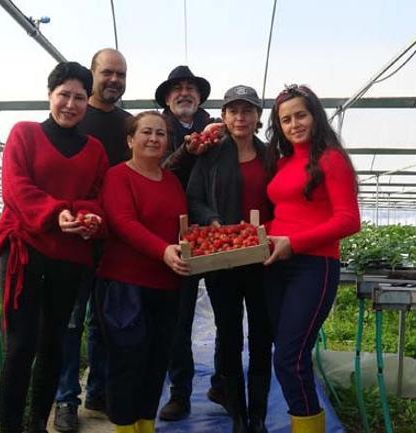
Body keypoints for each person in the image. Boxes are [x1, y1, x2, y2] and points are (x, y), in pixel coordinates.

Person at [0, 61, 109, 433]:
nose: (71, 104)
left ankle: (36, 425)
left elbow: (96, 197)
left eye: (79, 97)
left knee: (54, 344)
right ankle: (10, 427)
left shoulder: (94, 150)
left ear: (87, 102)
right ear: (50, 95)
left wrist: (90, 220)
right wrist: (56, 212)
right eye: (64, 95)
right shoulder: (24, 134)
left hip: (68, 257)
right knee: (21, 345)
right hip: (25, 251)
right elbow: (15, 189)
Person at [263, 85, 360, 433]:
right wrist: (256, 233)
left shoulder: (331, 159)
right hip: (278, 264)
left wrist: (294, 243)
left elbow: (349, 220)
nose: (294, 125)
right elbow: (287, 212)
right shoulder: (283, 161)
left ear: (315, 115)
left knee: (290, 358)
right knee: (287, 355)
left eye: (300, 115)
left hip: (314, 266)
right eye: (285, 120)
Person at [95, 111, 190, 433]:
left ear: (168, 142)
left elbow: (179, 228)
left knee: (156, 360)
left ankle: (146, 425)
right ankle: (124, 426)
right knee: (127, 362)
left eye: (160, 134)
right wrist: (163, 251)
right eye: (146, 132)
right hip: (125, 285)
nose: (153, 139)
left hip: (166, 284)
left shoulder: (173, 181)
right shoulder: (118, 176)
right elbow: (123, 223)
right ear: (130, 139)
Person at [54, 47, 132, 433]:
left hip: (114, 238)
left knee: (105, 320)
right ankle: (66, 397)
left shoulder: (129, 123)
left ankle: (98, 389)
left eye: (121, 74)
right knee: (70, 320)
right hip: (74, 237)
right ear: (92, 73)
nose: (114, 80)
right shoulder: (75, 116)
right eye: (108, 73)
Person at [186, 85, 273, 433]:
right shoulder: (210, 155)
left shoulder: (270, 156)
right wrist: (212, 220)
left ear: (257, 117)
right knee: (230, 333)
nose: (241, 117)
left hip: (264, 259)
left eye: (248, 111)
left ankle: (259, 416)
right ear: (222, 117)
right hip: (223, 257)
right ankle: (237, 413)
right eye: (234, 111)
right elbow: (193, 197)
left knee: (263, 335)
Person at [155, 65, 224, 421]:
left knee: (227, 313)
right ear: (167, 98)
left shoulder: (218, 127)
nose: (184, 93)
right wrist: (187, 150)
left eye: (191, 88)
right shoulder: (156, 128)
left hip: (216, 233)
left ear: (199, 97)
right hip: (173, 236)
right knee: (178, 319)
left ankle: (223, 385)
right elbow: (156, 172)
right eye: (177, 88)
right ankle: (179, 393)